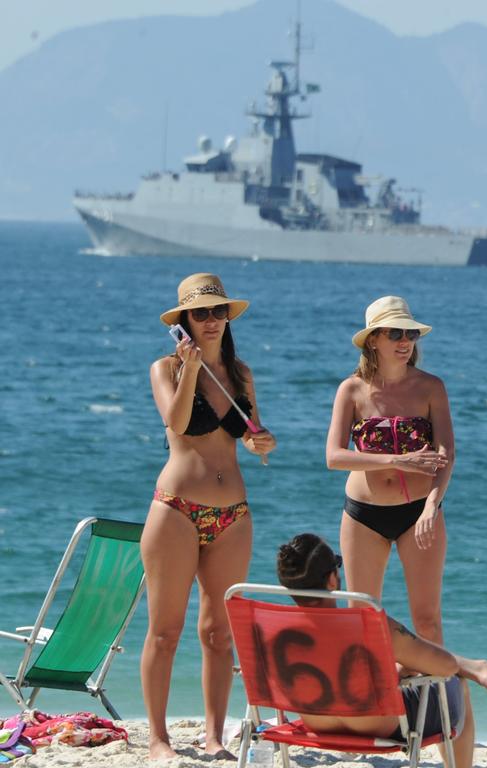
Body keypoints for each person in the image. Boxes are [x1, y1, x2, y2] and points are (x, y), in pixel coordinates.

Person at [142, 273, 276, 760]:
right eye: (201, 313)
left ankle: (215, 736)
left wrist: (263, 442)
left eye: (219, 312)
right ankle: (158, 739)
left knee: (219, 632)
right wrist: (191, 370)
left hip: (233, 516)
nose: (212, 321)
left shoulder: (240, 373)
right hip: (176, 509)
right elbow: (175, 422)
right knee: (165, 630)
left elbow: (252, 434)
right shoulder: (166, 369)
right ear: (183, 322)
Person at [276, 534, 487, 768]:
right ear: (332, 579)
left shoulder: (277, 632)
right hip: (379, 725)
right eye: (337, 562)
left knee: (406, 669)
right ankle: (480, 671)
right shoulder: (370, 627)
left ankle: (481, 668)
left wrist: (397, 671)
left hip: (315, 723)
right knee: (456, 682)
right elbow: (445, 666)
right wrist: (406, 666)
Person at [326, 296, 453, 644]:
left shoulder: (431, 387)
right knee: (363, 618)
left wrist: (432, 506)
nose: (404, 342)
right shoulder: (351, 390)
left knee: (427, 622)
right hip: (363, 516)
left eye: (410, 334)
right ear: (373, 340)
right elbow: (334, 456)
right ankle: (371, 697)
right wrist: (397, 460)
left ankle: (440, 699)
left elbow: (447, 454)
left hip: (419, 513)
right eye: (395, 334)